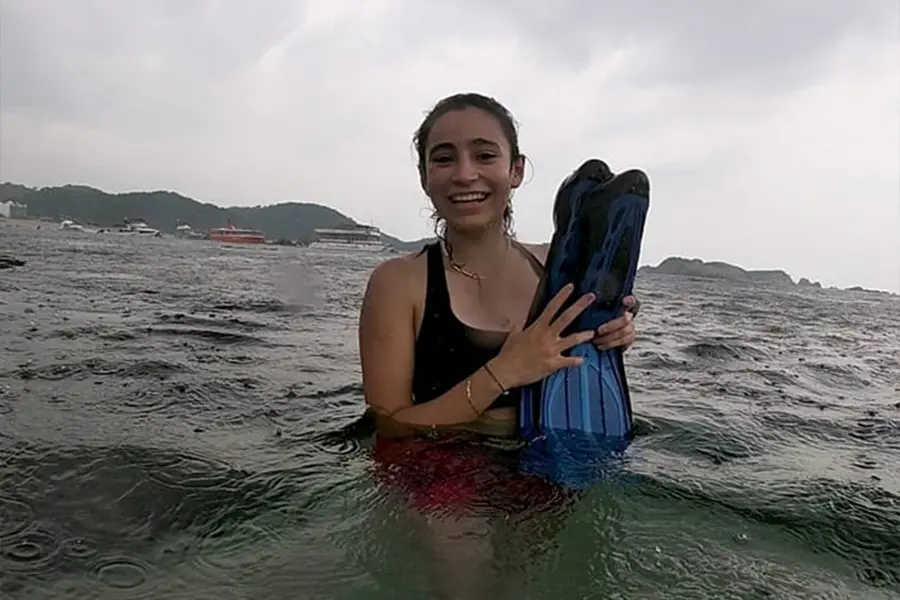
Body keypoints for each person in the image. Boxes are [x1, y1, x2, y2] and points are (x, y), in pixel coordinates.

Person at [356, 92, 640, 599]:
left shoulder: (555, 268)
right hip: (439, 465)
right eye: (444, 158)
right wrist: (503, 372)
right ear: (424, 177)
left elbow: (591, 358)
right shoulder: (399, 282)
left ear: (516, 170)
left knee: (522, 587)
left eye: (485, 155)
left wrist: (617, 328)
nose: (465, 174)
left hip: (545, 455)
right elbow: (391, 420)